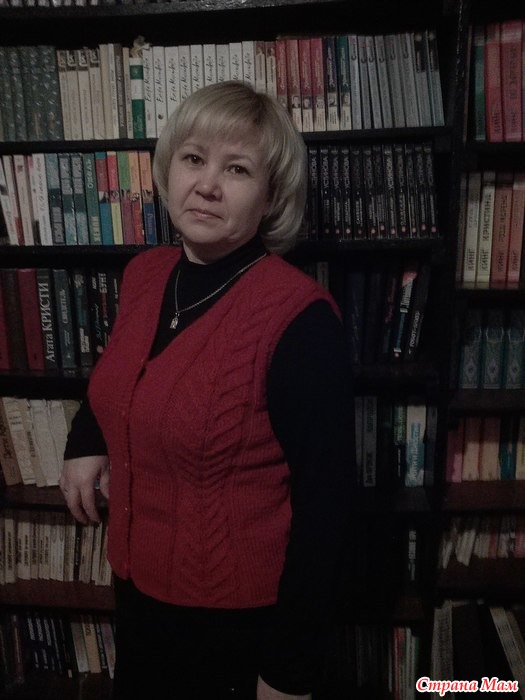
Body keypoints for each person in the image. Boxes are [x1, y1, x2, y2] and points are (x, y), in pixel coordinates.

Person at [60, 81, 355, 700]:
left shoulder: (300, 321)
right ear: (169, 169)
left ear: (270, 196)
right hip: (136, 594)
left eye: (237, 169)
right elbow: (124, 373)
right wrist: (86, 437)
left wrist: (288, 671)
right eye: (194, 158)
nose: (207, 185)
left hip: (234, 628)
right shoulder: (145, 275)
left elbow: (326, 509)